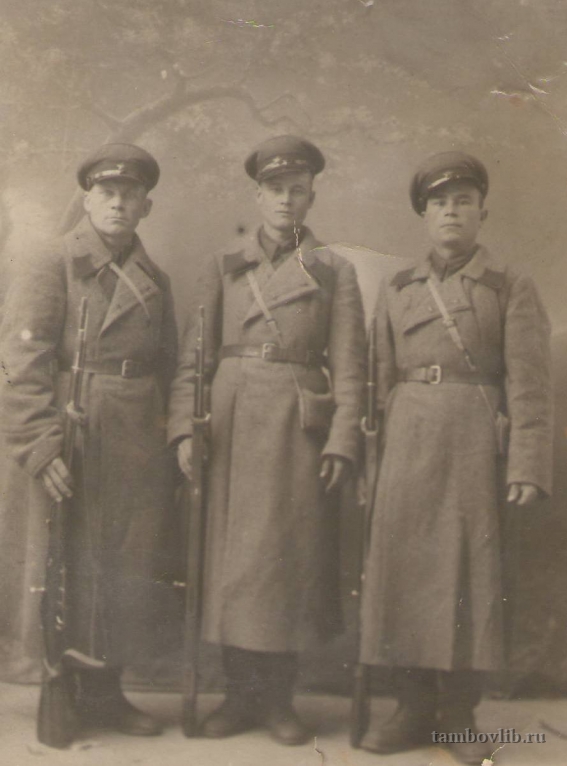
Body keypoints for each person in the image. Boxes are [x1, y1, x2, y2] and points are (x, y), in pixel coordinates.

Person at [168, 135, 366, 745]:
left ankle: (278, 699)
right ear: (258, 196)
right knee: (233, 563)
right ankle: (238, 695)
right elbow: (193, 359)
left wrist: (342, 440)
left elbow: (350, 367)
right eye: (275, 190)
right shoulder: (224, 265)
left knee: (287, 560)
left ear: (311, 198)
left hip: (297, 428)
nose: (285, 200)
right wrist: (183, 428)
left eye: (296, 191)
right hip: (231, 422)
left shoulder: (334, 270)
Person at [359, 152, 553, 764]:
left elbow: (530, 386)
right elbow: (376, 381)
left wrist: (527, 465)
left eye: (463, 202)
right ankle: (410, 707)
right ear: (424, 215)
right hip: (406, 440)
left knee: (469, 576)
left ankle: (458, 715)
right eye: (440, 203)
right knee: (404, 574)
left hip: (473, 444)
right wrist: (370, 464)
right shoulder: (398, 287)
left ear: (482, 214)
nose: (451, 212)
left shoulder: (508, 286)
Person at [0, 143, 178, 742]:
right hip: (72, 431)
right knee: (63, 564)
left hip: (136, 439)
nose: (118, 204)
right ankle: (58, 686)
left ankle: (106, 692)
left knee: (125, 565)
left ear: (146, 206)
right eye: (107, 193)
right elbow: (20, 359)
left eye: (130, 195)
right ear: (87, 199)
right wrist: (39, 443)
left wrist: (166, 437)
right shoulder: (53, 260)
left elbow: (168, 365)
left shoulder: (155, 279)